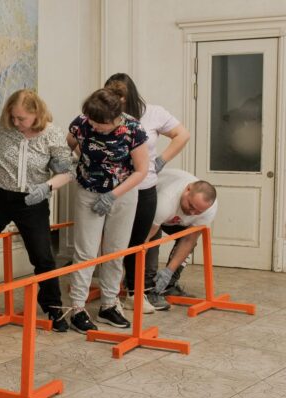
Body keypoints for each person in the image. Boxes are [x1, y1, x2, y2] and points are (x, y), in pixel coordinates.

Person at [0, 90, 74, 332]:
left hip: (32, 199)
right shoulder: (8, 125)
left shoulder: (52, 133)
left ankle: (53, 306)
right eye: (13, 117)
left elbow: (67, 172)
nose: (16, 122)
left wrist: (47, 187)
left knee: (42, 256)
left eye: (21, 118)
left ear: (36, 113)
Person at [104, 73, 191, 312]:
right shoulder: (104, 113)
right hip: (114, 189)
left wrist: (161, 160)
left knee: (138, 242)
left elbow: (182, 134)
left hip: (144, 187)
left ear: (130, 96)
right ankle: (110, 296)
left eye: (121, 97)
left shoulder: (153, 113)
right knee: (113, 242)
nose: (117, 102)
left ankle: (135, 292)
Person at [67, 88, 149, 334]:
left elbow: (141, 170)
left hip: (123, 194)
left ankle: (109, 304)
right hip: (89, 191)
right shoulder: (82, 123)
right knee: (86, 252)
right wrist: (86, 164)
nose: (94, 125)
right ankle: (77, 308)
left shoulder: (133, 129)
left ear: (115, 118)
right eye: (92, 120)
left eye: (100, 123)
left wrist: (113, 194)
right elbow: (70, 145)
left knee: (115, 251)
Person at [145, 169, 218, 304]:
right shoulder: (166, 199)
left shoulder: (209, 210)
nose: (192, 213)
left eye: (198, 211)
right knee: (153, 241)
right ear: (187, 189)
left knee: (190, 241)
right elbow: (145, 240)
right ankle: (147, 289)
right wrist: (134, 272)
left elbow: (189, 240)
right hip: (150, 206)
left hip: (172, 217)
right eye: (191, 206)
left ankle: (167, 285)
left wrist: (168, 272)